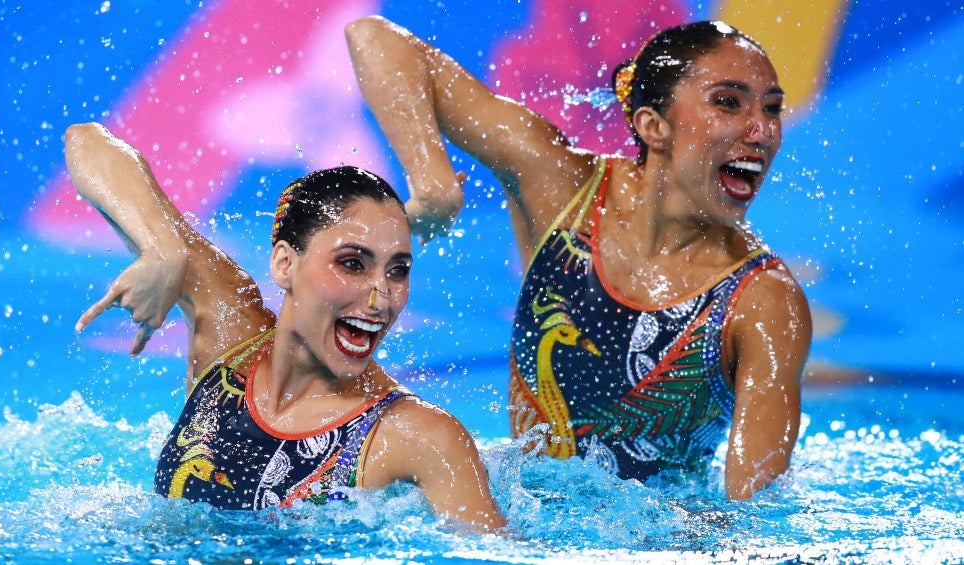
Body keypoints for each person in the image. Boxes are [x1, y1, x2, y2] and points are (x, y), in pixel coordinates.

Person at [345, 17, 812, 500]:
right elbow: (373, 38)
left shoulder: (764, 302)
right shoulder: (563, 190)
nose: (763, 130)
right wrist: (433, 183)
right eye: (729, 102)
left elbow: (756, 514)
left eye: (772, 109)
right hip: (522, 521)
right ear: (653, 126)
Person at [65, 122, 505, 530]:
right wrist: (164, 251)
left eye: (398, 270)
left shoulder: (419, 435)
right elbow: (88, 142)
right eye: (352, 264)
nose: (381, 296)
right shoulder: (229, 333)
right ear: (284, 264)